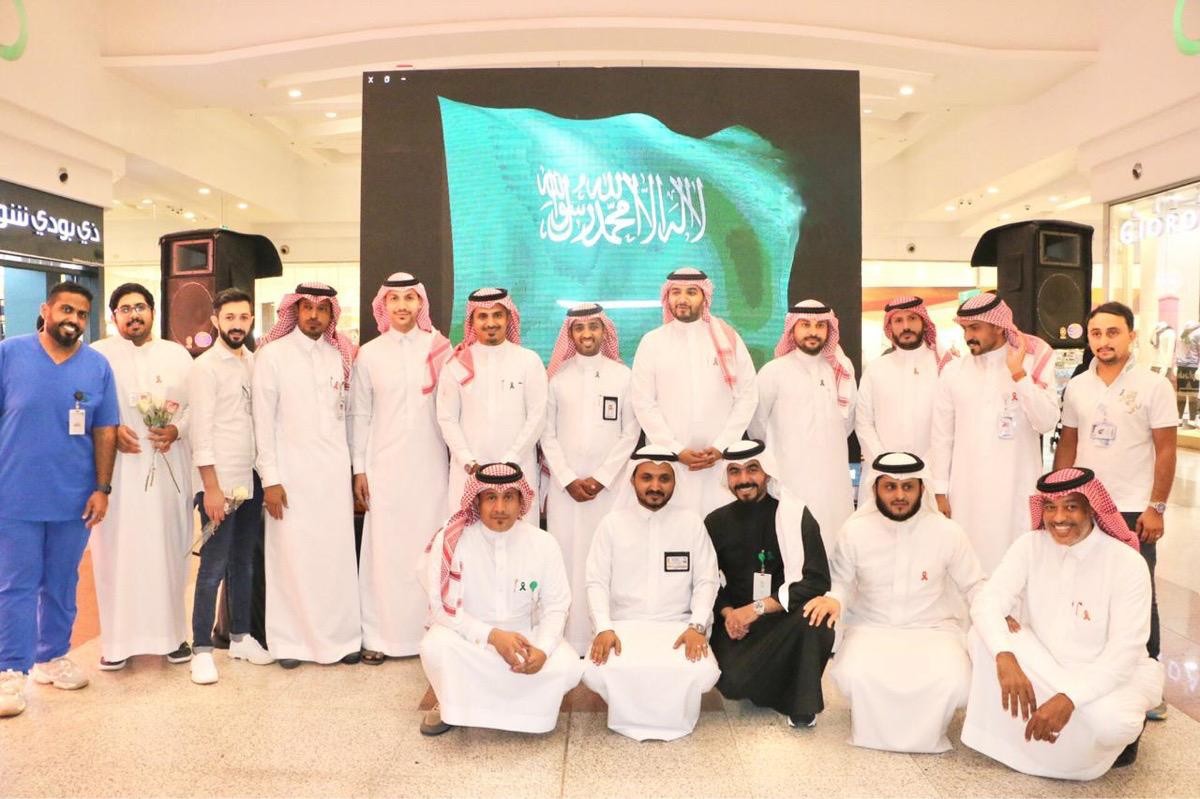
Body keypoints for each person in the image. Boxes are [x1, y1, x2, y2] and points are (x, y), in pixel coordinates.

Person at [961, 468, 1163, 780]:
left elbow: (1123, 654)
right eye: (1050, 507)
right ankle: (1035, 741)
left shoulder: (1126, 563)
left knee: (1113, 724)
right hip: (1046, 661)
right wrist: (1005, 655)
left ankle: (1103, 736)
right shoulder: (1030, 545)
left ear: (1091, 509)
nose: (1058, 518)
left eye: (1071, 507)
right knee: (981, 637)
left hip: (1107, 674)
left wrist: (1069, 697)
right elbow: (987, 601)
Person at [803, 452, 985, 753]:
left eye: (908, 487)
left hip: (933, 630)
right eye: (890, 487)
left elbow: (974, 584)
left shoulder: (948, 532)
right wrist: (834, 599)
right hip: (871, 627)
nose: (899, 495)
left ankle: (930, 735)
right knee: (856, 674)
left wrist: (994, 613)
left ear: (921, 488)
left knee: (953, 680)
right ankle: (871, 734)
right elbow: (841, 582)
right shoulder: (855, 531)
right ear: (875, 488)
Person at [0, 282, 118, 718]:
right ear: (46, 310)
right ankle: (10, 670)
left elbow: (105, 430)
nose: (73, 319)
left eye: (82, 314)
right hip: (14, 495)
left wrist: (102, 488)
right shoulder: (10, 354)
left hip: (73, 498)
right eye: (66, 309)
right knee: (16, 584)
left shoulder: (97, 366)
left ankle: (51, 657)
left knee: (62, 583)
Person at [1053, 301, 1175, 721]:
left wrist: (1156, 506)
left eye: (1112, 332)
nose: (1103, 341)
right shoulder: (1078, 386)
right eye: (1096, 333)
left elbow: (1166, 450)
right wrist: (1060, 498)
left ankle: (1149, 684)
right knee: (1085, 587)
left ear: (1131, 336)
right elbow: (1068, 443)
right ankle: (1094, 670)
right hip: (1085, 507)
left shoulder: (1154, 386)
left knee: (1139, 592)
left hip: (1132, 509)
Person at [418, 462, 582, 736]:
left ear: (521, 501)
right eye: (491, 498)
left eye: (509, 497)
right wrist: (492, 636)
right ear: (477, 501)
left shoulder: (543, 543)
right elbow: (440, 609)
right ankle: (448, 703)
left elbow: (556, 606)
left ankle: (523, 711)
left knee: (568, 664)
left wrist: (542, 649)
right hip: (470, 638)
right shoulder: (452, 540)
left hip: (523, 638)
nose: (500, 508)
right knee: (435, 645)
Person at [253, 282, 361, 668]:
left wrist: (354, 470)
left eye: (322, 309)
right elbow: (262, 421)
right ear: (295, 311)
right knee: (291, 558)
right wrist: (270, 478)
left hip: (332, 475)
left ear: (331, 314)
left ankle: (342, 639)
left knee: (334, 557)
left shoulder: (341, 354)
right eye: (307, 308)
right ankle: (291, 643)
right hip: (290, 475)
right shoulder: (272, 355)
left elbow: (348, 417)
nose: (314, 315)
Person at [89, 283, 195, 671]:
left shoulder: (177, 355)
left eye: (140, 307)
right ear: (113, 316)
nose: (133, 315)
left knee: (168, 549)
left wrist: (177, 430)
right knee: (116, 553)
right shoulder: (97, 355)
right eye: (125, 309)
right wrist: (110, 431)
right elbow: (83, 406)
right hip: (117, 474)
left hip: (168, 470)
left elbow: (198, 407)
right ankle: (116, 643)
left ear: (153, 311)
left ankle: (173, 637)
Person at [583, 445, 721, 741]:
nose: (655, 486)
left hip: (678, 626)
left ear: (675, 482)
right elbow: (596, 582)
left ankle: (673, 720)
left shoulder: (691, 523)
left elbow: (707, 580)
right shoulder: (612, 525)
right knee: (595, 670)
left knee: (702, 671)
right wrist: (604, 628)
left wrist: (697, 626)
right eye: (647, 477)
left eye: (664, 478)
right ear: (632, 480)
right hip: (623, 626)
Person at [351, 273, 452, 663]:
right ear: (383, 305)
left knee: (428, 549)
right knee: (384, 552)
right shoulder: (369, 354)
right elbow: (360, 415)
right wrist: (359, 469)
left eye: (410, 298)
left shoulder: (439, 348)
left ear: (420, 303)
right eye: (394, 299)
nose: (402, 306)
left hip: (431, 468)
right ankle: (380, 637)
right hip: (384, 468)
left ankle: (432, 635)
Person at [704, 439, 834, 728]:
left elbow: (816, 580)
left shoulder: (795, 516)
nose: (743, 479)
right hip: (737, 626)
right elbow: (706, 581)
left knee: (818, 618)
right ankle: (784, 679)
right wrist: (729, 614)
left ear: (767, 472)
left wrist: (757, 608)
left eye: (752, 469)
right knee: (732, 684)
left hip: (783, 619)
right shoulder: (716, 522)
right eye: (734, 471)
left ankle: (801, 704)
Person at [930, 293, 1059, 572]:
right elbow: (941, 436)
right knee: (967, 563)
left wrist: (1019, 375)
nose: (968, 337)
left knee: (1015, 562)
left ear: (999, 326)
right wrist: (939, 491)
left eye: (975, 328)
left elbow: (1046, 421)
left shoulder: (1031, 362)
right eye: (965, 329)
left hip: (1016, 486)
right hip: (966, 491)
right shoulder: (953, 371)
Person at [540, 302, 640, 652]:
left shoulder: (623, 377)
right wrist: (568, 478)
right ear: (570, 334)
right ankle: (567, 638)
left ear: (604, 331)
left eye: (593, 327)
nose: (587, 334)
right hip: (565, 490)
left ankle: (606, 633)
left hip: (610, 490)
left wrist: (601, 477)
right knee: (566, 559)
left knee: (607, 558)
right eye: (579, 328)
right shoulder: (556, 378)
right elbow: (546, 433)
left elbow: (631, 432)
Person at [187, 288, 272, 685]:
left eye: (243, 317)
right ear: (216, 320)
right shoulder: (205, 367)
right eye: (230, 317)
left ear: (251, 319)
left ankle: (240, 638)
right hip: (220, 481)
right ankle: (202, 650)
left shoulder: (255, 362)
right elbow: (200, 432)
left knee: (244, 561)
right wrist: (211, 488)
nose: (237, 325)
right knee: (213, 566)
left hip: (251, 477)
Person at [630, 268, 757, 516]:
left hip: (720, 462)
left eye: (691, 292)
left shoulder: (728, 339)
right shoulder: (652, 342)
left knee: (720, 528)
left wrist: (721, 446)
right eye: (676, 292)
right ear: (667, 297)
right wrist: (675, 449)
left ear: (704, 297)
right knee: (673, 530)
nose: (682, 299)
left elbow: (747, 396)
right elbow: (643, 402)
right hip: (669, 464)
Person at [751, 299, 856, 551]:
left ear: (829, 330)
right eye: (805, 325)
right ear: (792, 329)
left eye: (820, 325)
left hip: (833, 480)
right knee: (792, 545)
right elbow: (757, 427)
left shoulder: (840, 370)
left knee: (835, 543)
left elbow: (848, 423)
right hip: (790, 479)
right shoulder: (773, 371)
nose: (813, 331)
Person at [437, 288, 547, 521]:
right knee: (467, 537)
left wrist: (512, 459)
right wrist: (468, 461)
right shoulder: (456, 364)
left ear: (508, 318)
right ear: (472, 321)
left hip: (518, 468)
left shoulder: (528, 361)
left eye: (497, 315)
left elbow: (537, 416)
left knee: (521, 536)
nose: (490, 323)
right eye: (482, 316)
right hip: (468, 471)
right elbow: (447, 418)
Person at [855, 296, 954, 499]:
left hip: (932, 476)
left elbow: (951, 424)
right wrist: (885, 462)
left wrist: (923, 466)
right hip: (882, 474)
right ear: (890, 326)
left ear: (923, 322)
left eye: (912, 318)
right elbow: (863, 422)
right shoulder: (876, 369)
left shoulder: (945, 367)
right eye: (898, 320)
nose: (906, 326)